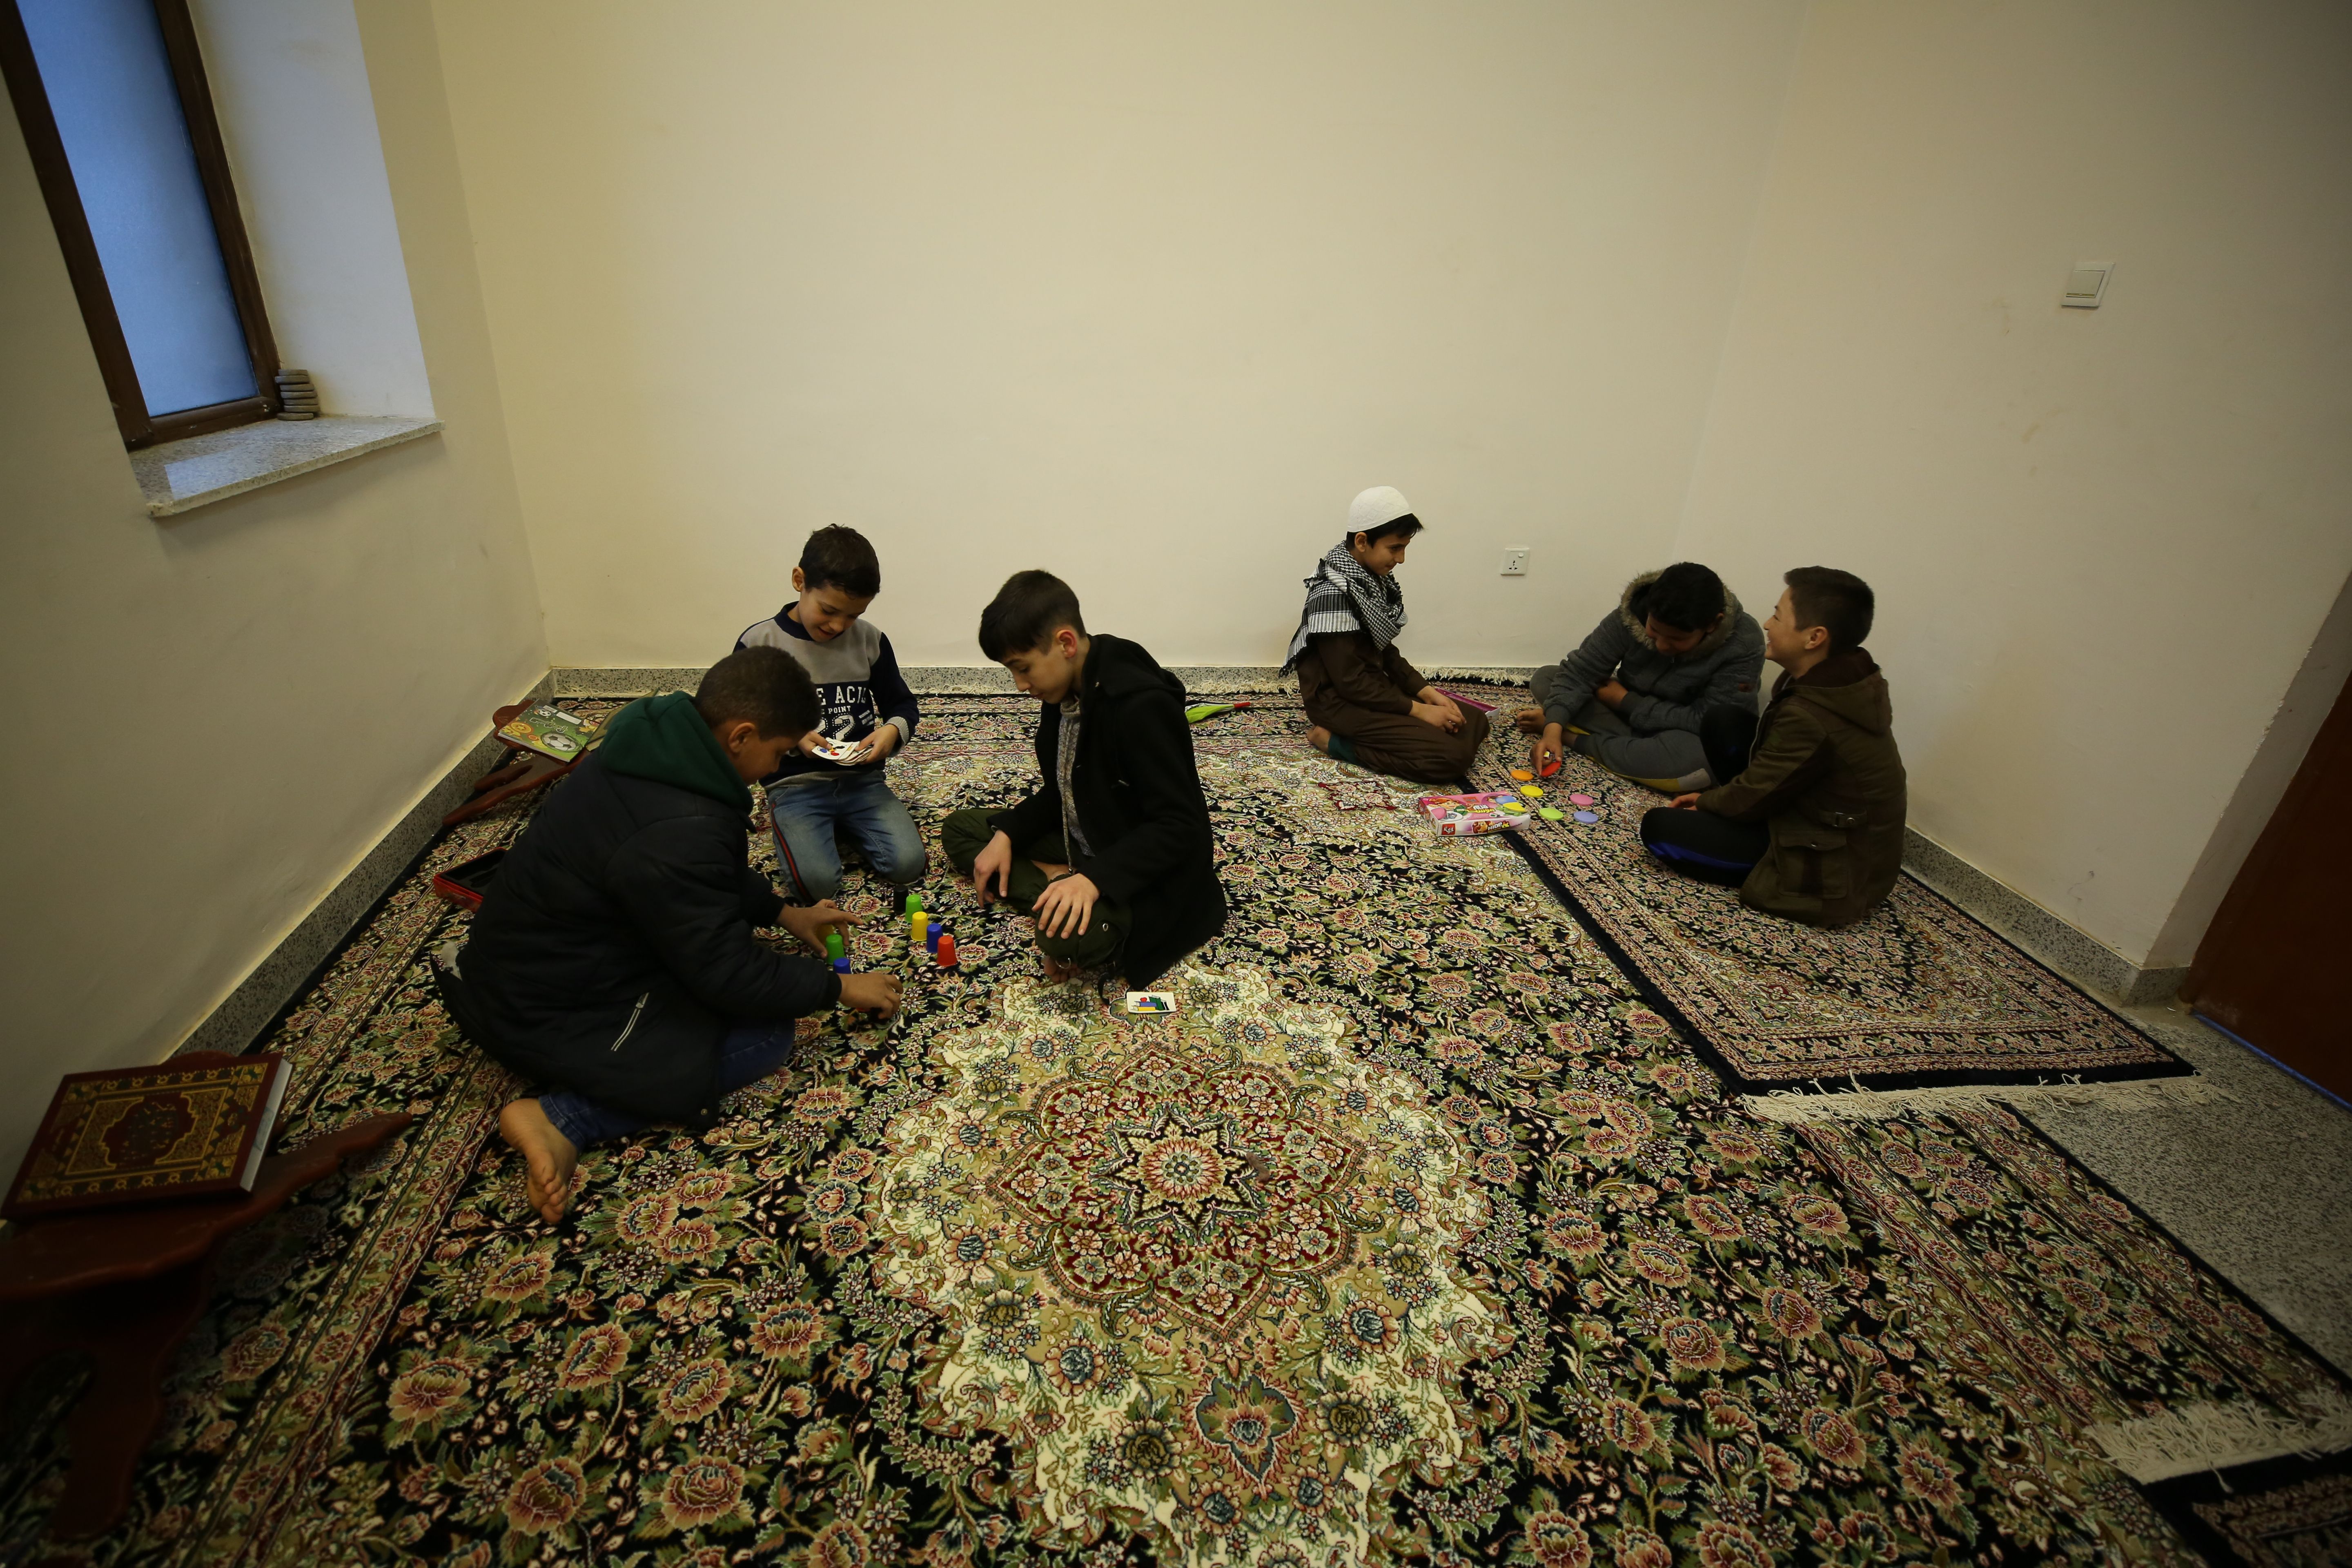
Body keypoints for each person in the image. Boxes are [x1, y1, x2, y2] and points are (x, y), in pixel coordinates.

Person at [440, 646, 903, 1223]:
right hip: (538, 1010)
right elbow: (726, 972)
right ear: (741, 736)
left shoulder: (654, 747)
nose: (776, 768)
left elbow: (705, 874)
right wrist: (838, 988)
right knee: (765, 1034)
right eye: (779, 752)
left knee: (739, 968)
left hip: (508, 967)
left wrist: (784, 913)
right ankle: (561, 1118)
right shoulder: (683, 828)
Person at [942, 570, 1226, 984]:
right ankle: (1058, 881)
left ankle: (1066, 892)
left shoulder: (1141, 707)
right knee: (962, 831)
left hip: (1144, 867)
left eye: (1023, 668)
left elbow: (1181, 826)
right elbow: (1064, 791)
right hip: (1089, 832)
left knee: (1063, 940)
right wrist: (1008, 834)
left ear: (1066, 644)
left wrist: (1095, 880)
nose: (1020, 685)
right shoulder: (1062, 688)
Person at [1639, 567, 1907, 928]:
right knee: (1724, 721)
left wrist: (1706, 802)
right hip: (1814, 824)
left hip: (1834, 872)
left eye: (1778, 616)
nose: (1767, 624)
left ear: (1814, 637)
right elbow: (1776, 775)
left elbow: (1757, 793)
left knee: (1660, 829)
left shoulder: (1812, 715)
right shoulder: (1836, 678)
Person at [734, 525, 927, 901]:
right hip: (795, 786)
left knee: (908, 865)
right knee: (817, 886)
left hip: (863, 782)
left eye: (854, 615)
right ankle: (808, 827)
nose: (838, 626)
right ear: (799, 581)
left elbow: (903, 705)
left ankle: (845, 825)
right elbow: (740, 722)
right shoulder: (760, 644)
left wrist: (891, 732)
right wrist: (792, 736)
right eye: (828, 610)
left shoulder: (870, 640)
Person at [1283, 486, 1489, 783]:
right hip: (1340, 703)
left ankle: (1420, 737)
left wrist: (1427, 693)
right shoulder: (1332, 594)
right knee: (1450, 759)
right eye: (1395, 548)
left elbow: (1385, 651)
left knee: (1475, 720)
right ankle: (1334, 742)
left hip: (1374, 690)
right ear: (1362, 541)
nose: (1401, 559)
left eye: (1404, 548)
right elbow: (1351, 683)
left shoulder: (1369, 581)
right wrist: (1418, 711)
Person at [1515, 563, 1764, 793]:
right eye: (1654, 631)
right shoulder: (1633, 612)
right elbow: (1580, 672)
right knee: (1546, 679)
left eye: (1676, 639)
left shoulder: (1743, 641)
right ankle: (1629, 750)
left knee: (1701, 765)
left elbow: (1710, 722)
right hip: (1623, 719)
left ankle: (1576, 738)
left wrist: (1627, 702)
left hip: (1680, 732)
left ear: (1712, 625)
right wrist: (1552, 732)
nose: (1662, 646)